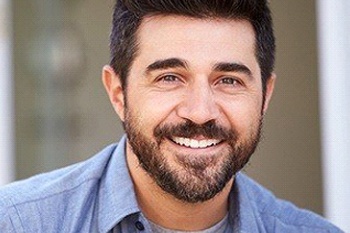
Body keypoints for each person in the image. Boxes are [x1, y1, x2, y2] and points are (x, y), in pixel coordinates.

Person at [0, 0, 344, 232]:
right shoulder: (18, 222)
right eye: (169, 78)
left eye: (228, 80)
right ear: (118, 92)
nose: (200, 112)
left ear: (265, 96)